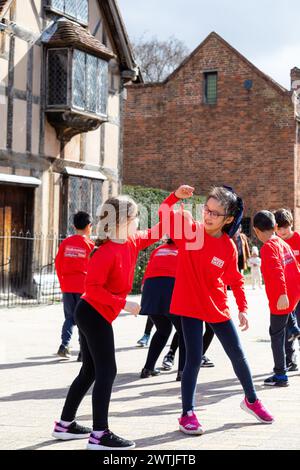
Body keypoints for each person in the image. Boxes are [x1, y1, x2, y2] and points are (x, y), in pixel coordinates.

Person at [52, 194, 172, 450]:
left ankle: (65, 425)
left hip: (94, 313)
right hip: (92, 313)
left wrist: (173, 199)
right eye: (135, 216)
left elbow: (157, 230)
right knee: (107, 371)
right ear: (121, 221)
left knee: (90, 371)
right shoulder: (104, 252)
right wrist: (124, 303)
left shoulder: (130, 241)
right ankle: (99, 435)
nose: (138, 220)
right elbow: (92, 288)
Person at [158, 185, 274, 435]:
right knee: (193, 359)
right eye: (206, 210)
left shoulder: (228, 247)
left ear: (229, 219)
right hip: (188, 306)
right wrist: (175, 196)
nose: (208, 215)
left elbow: (235, 279)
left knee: (238, 354)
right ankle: (187, 413)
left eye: (215, 213)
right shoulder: (190, 233)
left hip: (217, 307)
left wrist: (242, 307)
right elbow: (164, 211)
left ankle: (251, 400)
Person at [253, 210, 300, 387]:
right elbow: (294, 266)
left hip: (282, 297)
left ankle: (280, 375)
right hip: (293, 293)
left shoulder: (267, 248)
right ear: (275, 227)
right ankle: (294, 327)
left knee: (276, 335)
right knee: (283, 328)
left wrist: (282, 294)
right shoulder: (282, 242)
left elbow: (277, 271)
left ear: (256, 231)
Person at [139, 238, 185, 381]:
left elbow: (146, 275)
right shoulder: (185, 249)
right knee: (185, 332)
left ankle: (148, 368)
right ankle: (183, 372)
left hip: (150, 289)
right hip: (169, 287)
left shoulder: (158, 250)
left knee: (163, 330)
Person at [55, 212, 94, 361]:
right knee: (83, 319)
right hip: (84, 287)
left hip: (67, 285)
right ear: (89, 226)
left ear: (74, 226)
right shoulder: (90, 245)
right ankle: (83, 351)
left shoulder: (65, 243)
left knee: (70, 317)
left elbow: (58, 264)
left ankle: (64, 345)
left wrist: (62, 283)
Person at [273, 208, 300, 370]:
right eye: (279, 228)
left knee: (298, 326)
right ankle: (290, 360)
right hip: (284, 292)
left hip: (298, 290)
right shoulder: (275, 242)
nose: (282, 231)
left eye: (285, 227)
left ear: (291, 225)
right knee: (286, 329)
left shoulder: (297, 239)